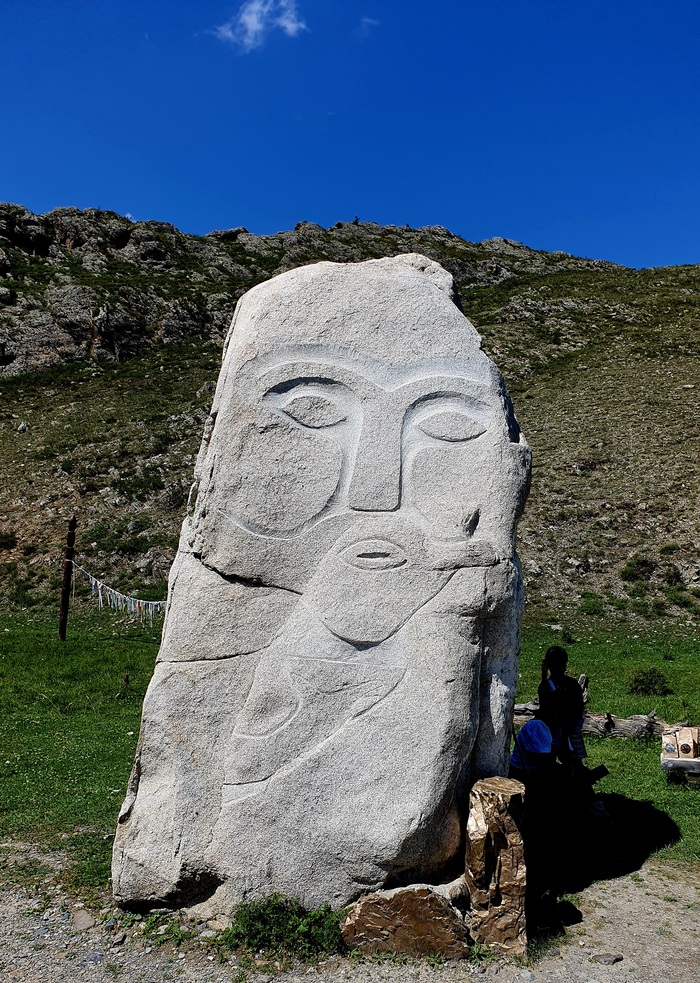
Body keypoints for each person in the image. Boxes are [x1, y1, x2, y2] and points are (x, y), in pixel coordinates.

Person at [537, 645, 586, 768]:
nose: (562, 667)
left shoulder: (571, 685)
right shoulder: (546, 686)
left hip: (570, 730)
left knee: (573, 765)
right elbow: (545, 709)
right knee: (549, 764)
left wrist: (570, 726)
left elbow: (578, 709)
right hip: (552, 732)